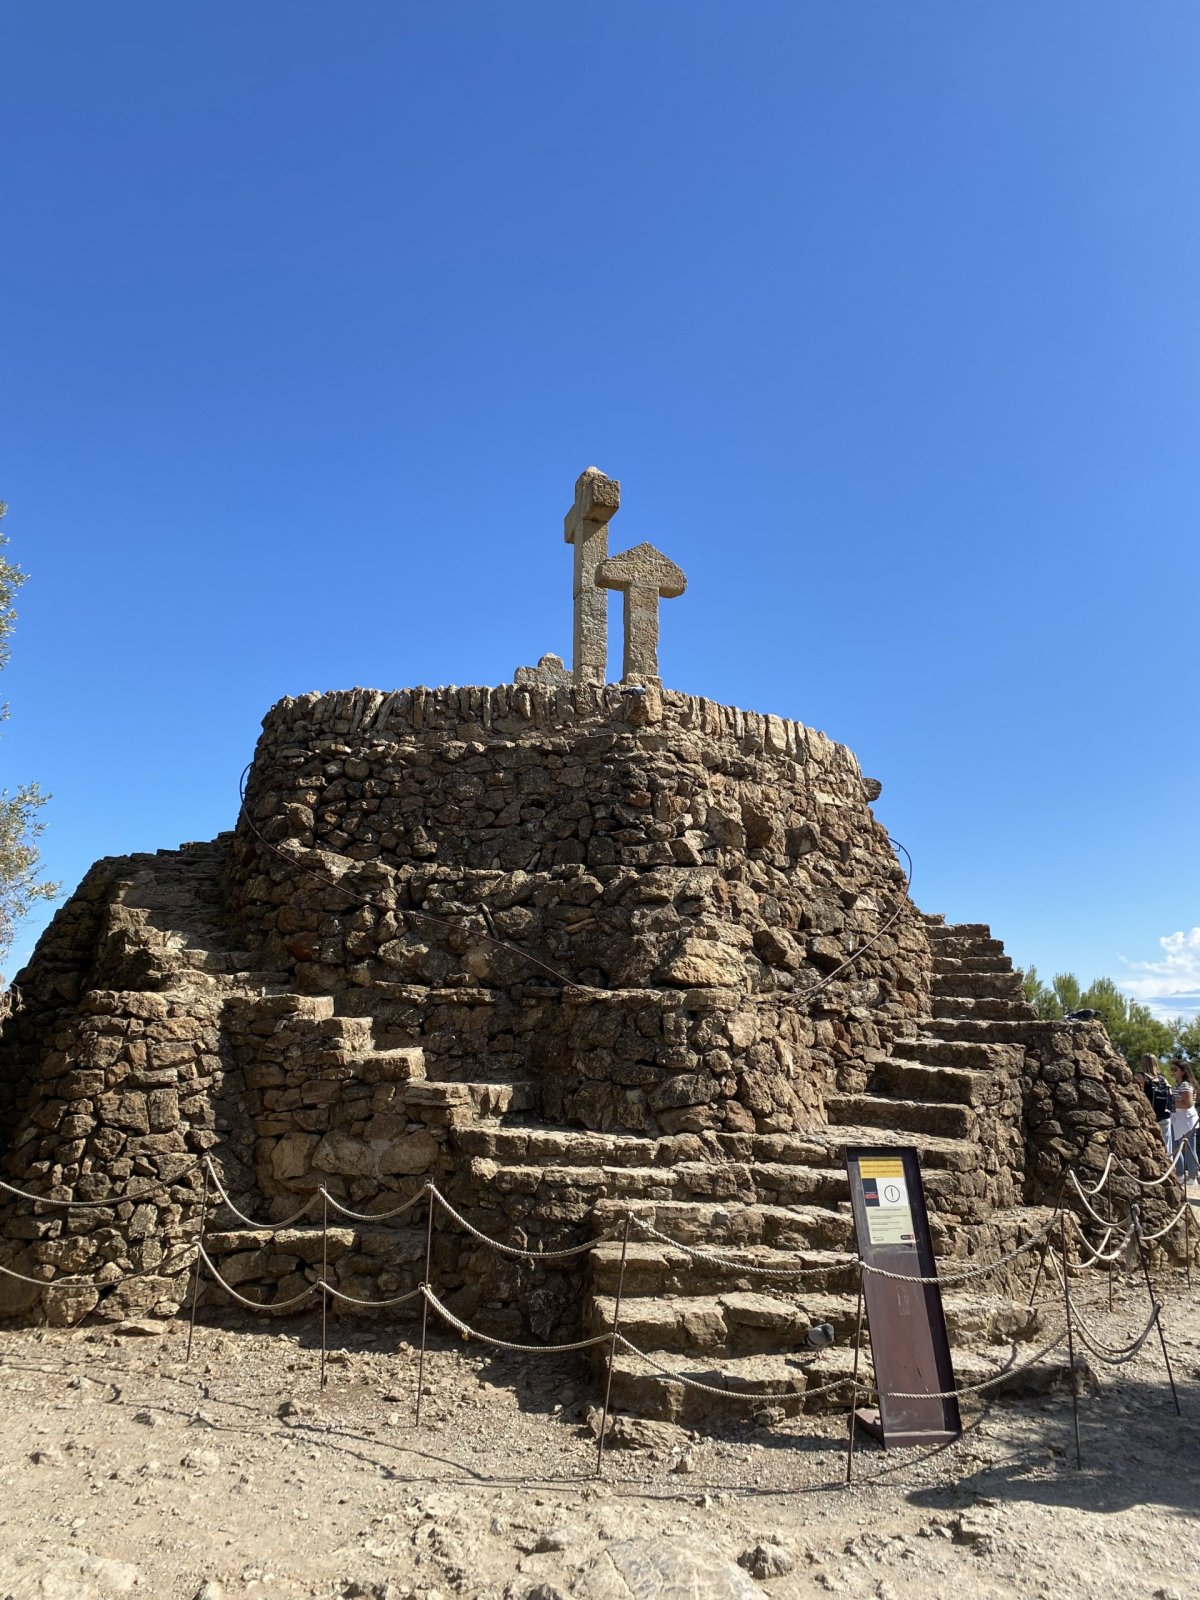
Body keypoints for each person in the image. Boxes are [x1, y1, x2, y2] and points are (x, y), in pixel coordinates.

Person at [1169, 1060, 1199, 1185]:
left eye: (1175, 1070)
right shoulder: (1178, 1084)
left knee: (1189, 1149)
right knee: (1176, 1148)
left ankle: (1192, 1176)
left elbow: (1188, 1103)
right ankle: (1180, 1174)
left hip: (1187, 1122)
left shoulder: (1186, 1085)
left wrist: (1170, 1103)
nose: (1173, 1072)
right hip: (1177, 1121)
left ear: (1183, 1071)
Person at [1141, 1053, 1174, 1152]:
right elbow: (1171, 1096)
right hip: (1165, 1116)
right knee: (1167, 1148)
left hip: (1149, 1118)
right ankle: (1169, 1166)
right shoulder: (1163, 1079)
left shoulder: (1141, 1077)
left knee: (1150, 1147)